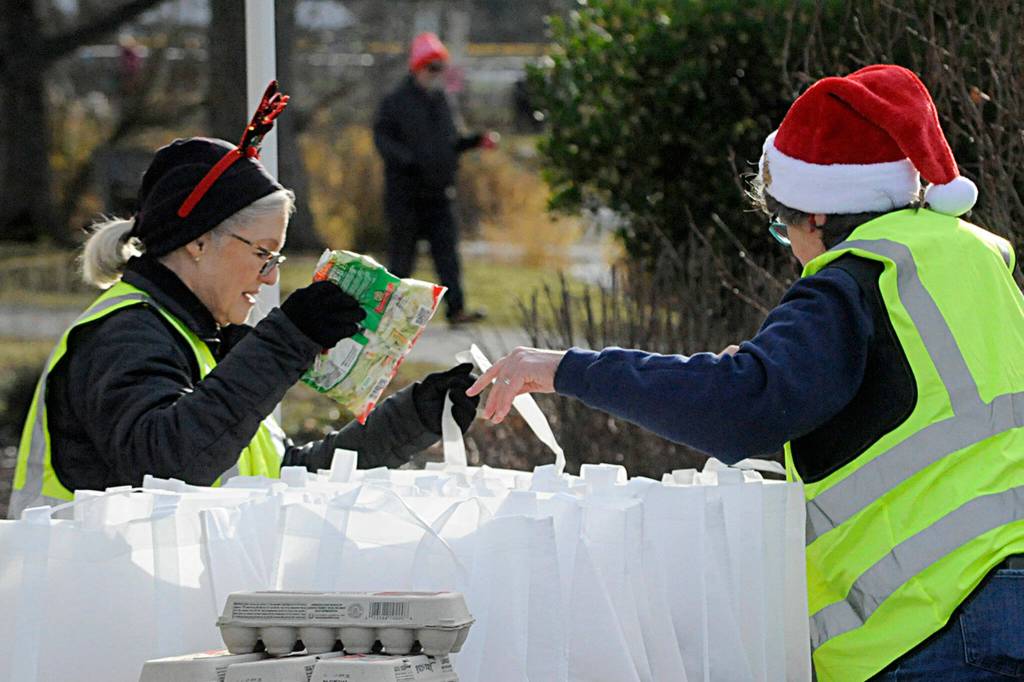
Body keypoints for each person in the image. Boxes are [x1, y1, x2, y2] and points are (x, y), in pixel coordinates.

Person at [468, 65, 1024, 681]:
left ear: (815, 215)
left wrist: (566, 368)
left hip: (942, 618)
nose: (789, 247)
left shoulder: (851, 281)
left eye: (781, 225)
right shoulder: (976, 258)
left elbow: (739, 409)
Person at [9, 84, 479, 519]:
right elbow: (167, 471)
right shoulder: (124, 334)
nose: (272, 274)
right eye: (262, 253)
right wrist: (284, 343)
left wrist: (415, 416)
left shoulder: (203, 340)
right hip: (88, 599)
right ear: (196, 241)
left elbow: (284, 477)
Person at [373, 32, 495, 325]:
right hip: (406, 195)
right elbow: (382, 139)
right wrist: (408, 161)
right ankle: (389, 316)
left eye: (440, 68)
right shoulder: (395, 102)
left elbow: (451, 142)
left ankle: (456, 310)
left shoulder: (442, 101)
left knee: (448, 256)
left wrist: (475, 141)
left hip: (440, 193)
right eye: (431, 68)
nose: (436, 75)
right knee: (401, 260)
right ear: (416, 67)